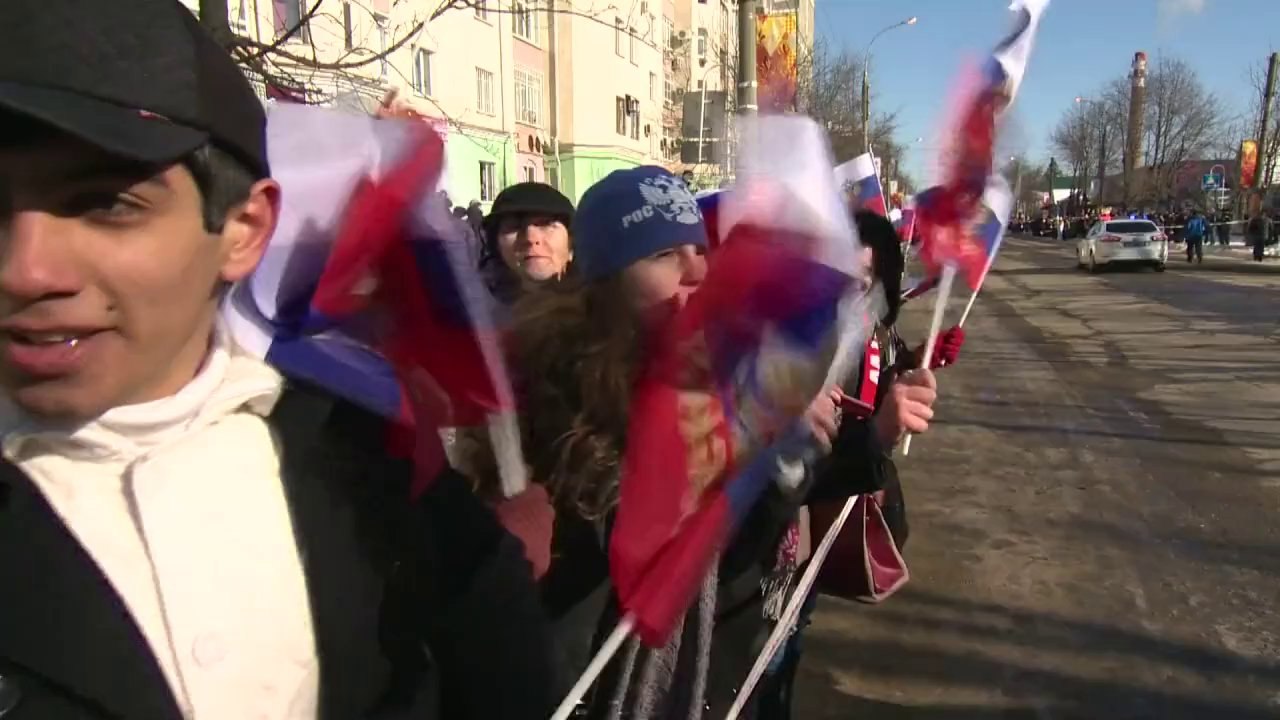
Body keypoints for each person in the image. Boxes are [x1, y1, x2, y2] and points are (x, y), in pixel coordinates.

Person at [0, 1, 556, 718]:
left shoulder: (359, 460)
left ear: (243, 229)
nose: (28, 270)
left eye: (105, 206)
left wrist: (492, 579)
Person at [480, 166, 841, 719]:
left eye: (699, 249)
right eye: (665, 254)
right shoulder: (540, 394)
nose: (698, 269)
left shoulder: (719, 380)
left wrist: (779, 472)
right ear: (606, 281)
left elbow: (729, 571)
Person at [480, 182, 575, 304]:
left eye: (545, 224)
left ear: (571, 243)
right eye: (514, 227)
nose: (530, 238)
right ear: (496, 246)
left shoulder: (600, 309)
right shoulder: (470, 313)